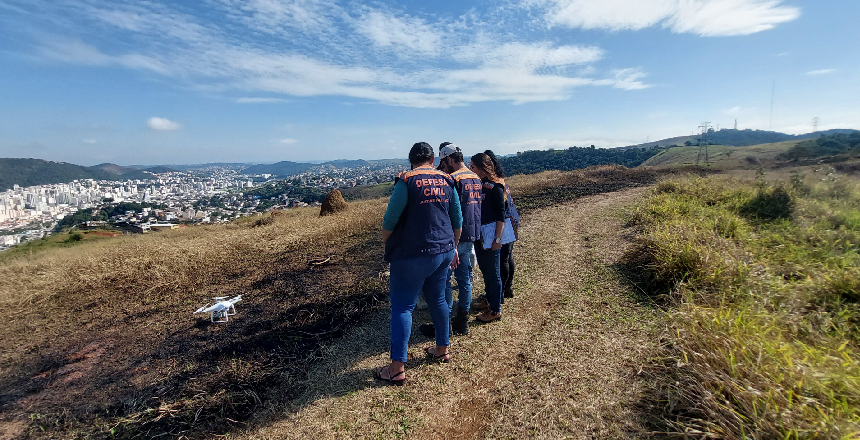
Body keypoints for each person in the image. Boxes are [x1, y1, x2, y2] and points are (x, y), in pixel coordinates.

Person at [376, 142, 463, 385]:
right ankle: (442, 348)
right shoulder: (447, 180)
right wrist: (454, 246)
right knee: (437, 299)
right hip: (444, 250)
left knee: (403, 307)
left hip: (413, 254)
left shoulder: (407, 180)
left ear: (411, 160)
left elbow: (390, 220)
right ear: (433, 159)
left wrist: (388, 244)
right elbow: (457, 219)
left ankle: (396, 369)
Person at [418, 142, 482, 337]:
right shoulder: (475, 177)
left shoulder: (452, 179)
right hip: (472, 233)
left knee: (444, 281)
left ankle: (444, 325)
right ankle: (462, 320)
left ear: (449, 159)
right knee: (465, 280)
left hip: (453, 237)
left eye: (443, 161)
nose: (442, 166)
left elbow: (448, 211)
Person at [469, 152, 506, 323]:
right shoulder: (479, 184)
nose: (471, 169)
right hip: (480, 235)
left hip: (491, 236)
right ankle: (490, 301)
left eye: (473, 167)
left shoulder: (496, 187)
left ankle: (495, 310)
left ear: (482, 168)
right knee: (485, 270)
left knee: (493, 273)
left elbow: (501, 216)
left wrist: (498, 239)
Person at [485, 150, 519, 300]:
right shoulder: (501, 179)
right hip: (512, 219)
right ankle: (508, 288)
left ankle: (502, 292)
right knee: (508, 257)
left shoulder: (494, 183)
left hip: (505, 222)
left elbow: (499, 209)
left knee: (503, 258)